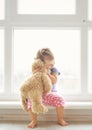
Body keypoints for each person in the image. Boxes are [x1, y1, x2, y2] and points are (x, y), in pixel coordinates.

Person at [27, 48, 68, 128]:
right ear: (41, 63)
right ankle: (34, 120)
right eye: (49, 65)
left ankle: (60, 119)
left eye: (53, 64)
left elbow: (54, 81)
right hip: (39, 93)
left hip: (50, 92)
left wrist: (47, 74)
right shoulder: (36, 70)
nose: (52, 66)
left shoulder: (54, 70)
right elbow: (33, 81)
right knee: (30, 99)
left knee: (60, 99)